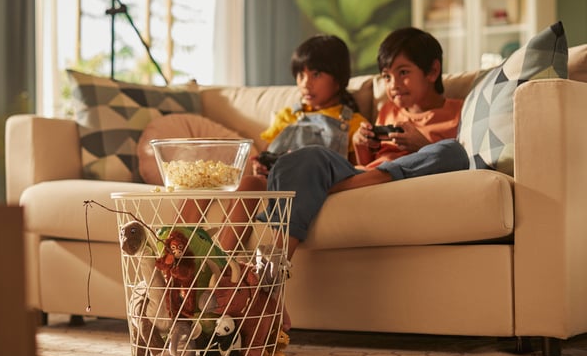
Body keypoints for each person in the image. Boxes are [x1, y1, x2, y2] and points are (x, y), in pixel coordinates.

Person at [263, 27, 470, 260]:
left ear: (432, 71)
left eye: (403, 72)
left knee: (451, 151)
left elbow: (461, 164)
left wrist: (420, 145)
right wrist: (362, 145)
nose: (394, 84)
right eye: (387, 76)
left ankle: (321, 188)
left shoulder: (459, 110)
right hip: (365, 177)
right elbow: (368, 163)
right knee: (308, 156)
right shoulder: (388, 110)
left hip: (403, 178)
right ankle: (275, 265)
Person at [182, 34, 370, 251]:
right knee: (226, 180)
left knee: (251, 184)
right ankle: (181, 255)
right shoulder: (288, 115)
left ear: (338, 79)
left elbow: (351, 169)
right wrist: (260, 164)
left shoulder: (352, 122)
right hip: (273, 179)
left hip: (308, 186)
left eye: (316, 74)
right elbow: (267, 153)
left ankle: (223, 262)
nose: (305, 83)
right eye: (300, 75)